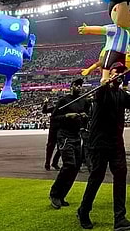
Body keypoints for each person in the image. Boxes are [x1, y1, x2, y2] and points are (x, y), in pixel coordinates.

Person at [77, 63, 130, 231]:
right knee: (97, 177)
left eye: (123, 73)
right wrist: (104, 82)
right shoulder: (102, 91)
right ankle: (83, 210)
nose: (120, 75)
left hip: (116, 143)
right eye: (117, 72)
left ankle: (119, 218)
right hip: (99, 143)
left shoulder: (122, 95)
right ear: (110, 74)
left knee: (121, 176)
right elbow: (99, 94)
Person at [49, 78, 91, 209]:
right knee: (69, 164)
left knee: (76, 166)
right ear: (71, 86)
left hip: (76, 135)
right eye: (76, 85)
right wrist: (67, 116)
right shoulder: (64, 100)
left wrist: (85, 116)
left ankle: (61, 195)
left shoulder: (84, 101)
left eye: (80, 86)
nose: (79, 87)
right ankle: (54, 194)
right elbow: (54, 118)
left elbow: (87, 116)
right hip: (64, 136)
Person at [43, 98, 62, 171]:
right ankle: (48, 163)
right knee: (51, 147)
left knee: (60, 148)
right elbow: (44, 111)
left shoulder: (62, 109)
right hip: (54, 130)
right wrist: (45, 103)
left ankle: (54, 162)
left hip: (59, 130)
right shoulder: (55, 108)